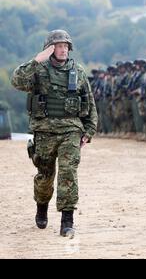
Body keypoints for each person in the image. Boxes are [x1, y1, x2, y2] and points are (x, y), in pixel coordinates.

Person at [11, 30, 97, 238]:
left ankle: (67, 220)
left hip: (71, 130)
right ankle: (42, 206)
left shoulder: (78, 71)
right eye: (59, 46)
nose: (63, 49)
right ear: (50, 49)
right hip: (45, 131)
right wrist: (36, 60)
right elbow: (17, 80)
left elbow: (89, 102)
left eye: (66, 46)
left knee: (68, 173)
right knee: (45, 175)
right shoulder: (38, 71)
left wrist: (89, 130)